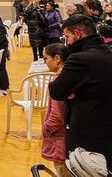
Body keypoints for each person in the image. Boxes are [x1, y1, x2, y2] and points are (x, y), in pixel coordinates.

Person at [48, 14, 112, 166]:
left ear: (78, 34)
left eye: (67, 36)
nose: (67, 41)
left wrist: (70, 88)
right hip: (107, 122)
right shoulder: (108, 52)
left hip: (86, 126)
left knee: (85, 167)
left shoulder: (79, 59)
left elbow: (56, 90)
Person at [41, 43, 71, 177]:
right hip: (65, 135)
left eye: (46, 58)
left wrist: (46, 128)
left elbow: (57, 114)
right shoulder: (68, 75)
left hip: (59, 137)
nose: (45, 62)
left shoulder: (61, 80)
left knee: (62, 172)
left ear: (57, 58)